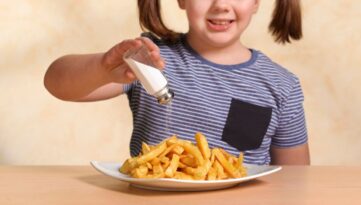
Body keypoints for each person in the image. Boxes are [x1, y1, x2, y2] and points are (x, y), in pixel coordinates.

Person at [44, 0, 310, 165]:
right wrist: (103, 67)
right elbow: (56, 81)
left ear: (256, 2)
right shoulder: (150, 60)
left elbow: (295, 180)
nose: (220, 4)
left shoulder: (281, 85)